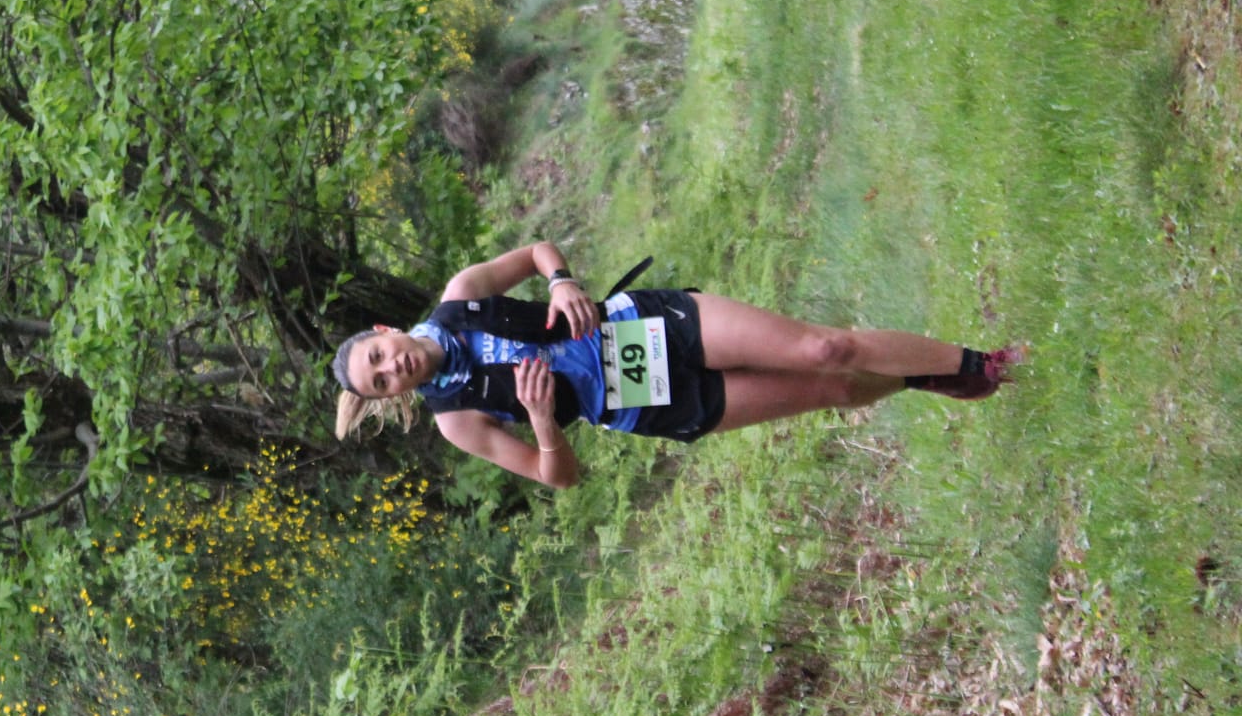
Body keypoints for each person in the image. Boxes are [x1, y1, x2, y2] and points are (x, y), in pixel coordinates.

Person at [331, 240, 1021, 488]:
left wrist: (562, 282)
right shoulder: (455, 419)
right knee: (836, 388)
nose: (393, 368)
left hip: (648, 326)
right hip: (645, 403)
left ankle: (980, 363)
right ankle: (919, 376)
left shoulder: (462, 296)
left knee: (825, 350)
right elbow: (558, 476)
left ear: (384, 332)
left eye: (379, 356)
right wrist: (542, 420)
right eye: (381, 382)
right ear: (390, 395)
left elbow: (538, 252)